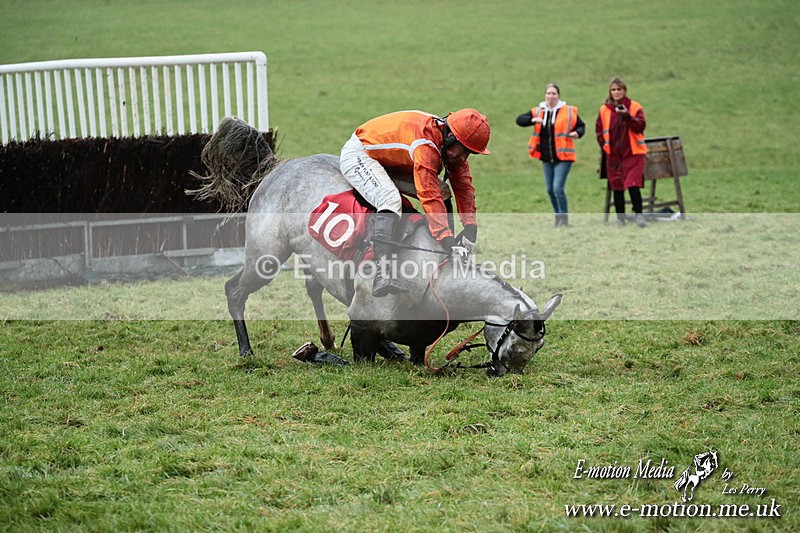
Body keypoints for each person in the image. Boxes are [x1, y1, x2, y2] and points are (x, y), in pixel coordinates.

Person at [339, 109, 491, 296]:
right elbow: (428, 194)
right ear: (451, 136)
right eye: (463, 151)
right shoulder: (425, 144)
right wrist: (447, 238)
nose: (463, 158)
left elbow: (464, 186)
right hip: (361, 155)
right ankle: (382, 273)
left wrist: (470, 227)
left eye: (469, 154)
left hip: (393, 160)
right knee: (390, 199)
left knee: (444, 191)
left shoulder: (449, 144)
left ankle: (445, 259)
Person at [516, 84, 585, 227]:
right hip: (547, 158)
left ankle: (564, 219)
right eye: (548, 93)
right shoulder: (538, 111)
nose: (551, 96)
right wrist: (532, 120)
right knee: (549, 189)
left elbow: (581, 126)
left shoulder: (568, 111)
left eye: (553, 93)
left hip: (564, 156)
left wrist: (576, 133)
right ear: (545, 95)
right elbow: (519, 120)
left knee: (557, 188)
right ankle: (558, 217)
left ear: (558, 96)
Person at [596, 77, 648, 227]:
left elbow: (640, 126)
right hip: (613, 154)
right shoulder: (604, 109)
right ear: (610, 92)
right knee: (617, 185)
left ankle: (639, 215)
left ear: (624, 90)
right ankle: (621, 218)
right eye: (613, 90)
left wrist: (626, 116)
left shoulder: (634, 106)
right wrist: (605, 147)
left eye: (619, 89)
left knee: (633, 183)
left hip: (634, 153)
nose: (616, 92)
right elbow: (599, 131)